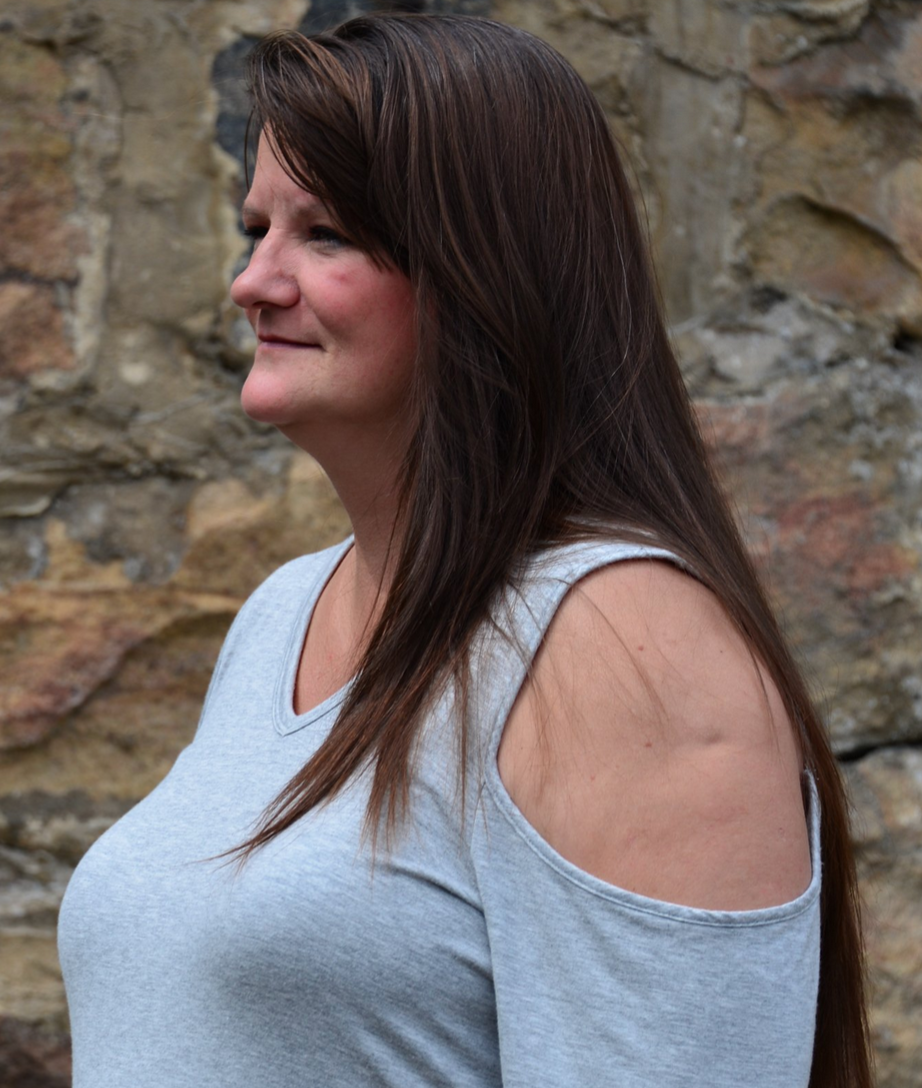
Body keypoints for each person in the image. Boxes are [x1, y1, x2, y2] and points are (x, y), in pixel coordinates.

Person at [57, 13, 872, 1088]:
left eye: (325, 234)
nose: (254, 280)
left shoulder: (621, 649)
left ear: (483, 269)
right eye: (258, 228)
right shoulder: (281, 615)